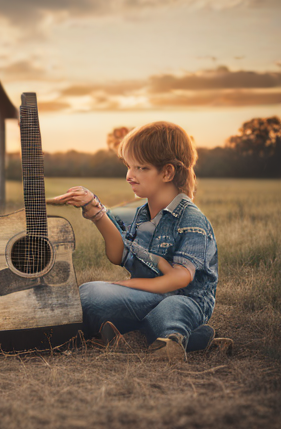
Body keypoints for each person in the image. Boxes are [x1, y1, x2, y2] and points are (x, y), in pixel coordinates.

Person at [53, 121, 231, 361]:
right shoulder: (141, 215)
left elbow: (179, 279)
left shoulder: (191, 218)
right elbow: (119, 255)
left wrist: (126, 286)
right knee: (88, 295)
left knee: (172, 309)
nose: (129, 176)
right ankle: (187, 338)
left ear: (167, 172)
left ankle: (170, 338)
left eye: (140, 167)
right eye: (128, 166)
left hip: (185, 300)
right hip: (148, 297)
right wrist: (95, 211)